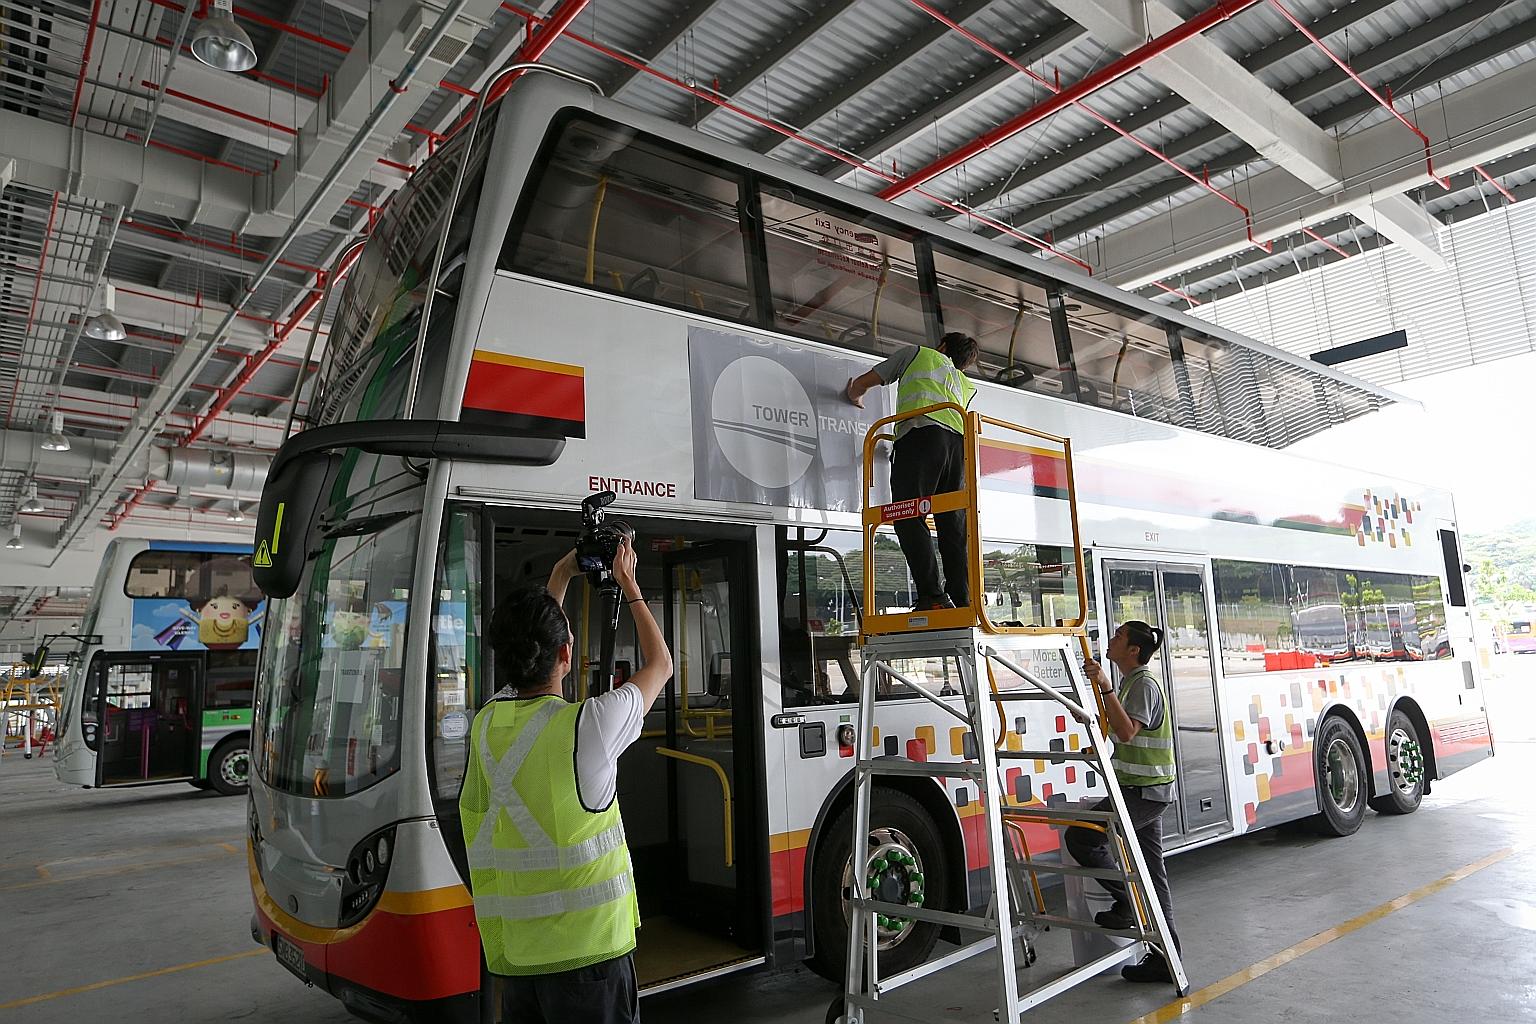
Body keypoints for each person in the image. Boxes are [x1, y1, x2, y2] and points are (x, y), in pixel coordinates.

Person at [459, 537, 673, 1023]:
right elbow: (661, 665)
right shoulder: (591, 726)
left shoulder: (487, 725)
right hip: (590, 957)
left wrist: (561, 573)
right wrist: (629, 584)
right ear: (566, 652)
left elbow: (536, 652)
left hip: (518, 956)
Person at [1064, 620, 1181, 984]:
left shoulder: (1142, 684)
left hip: (1145, 793)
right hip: (1142, 789)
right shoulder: (1133, 683)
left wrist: (1105, 687)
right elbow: (1118, 726)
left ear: (1133, 650)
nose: (1110, 641)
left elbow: (1128, 732)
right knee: (1153, 874)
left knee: (1082, 837)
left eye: (1118, 637)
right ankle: (1166, 958)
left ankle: (1127, 903)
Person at [844, 332, 979, 611]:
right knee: (951, 525)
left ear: (941, 346)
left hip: (921, 436)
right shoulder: (963, 383)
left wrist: (853, 395)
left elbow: (863, 384)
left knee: (907, 515)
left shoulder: (919, 354)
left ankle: (932, 596)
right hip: (959, 448)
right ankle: (962, 598)